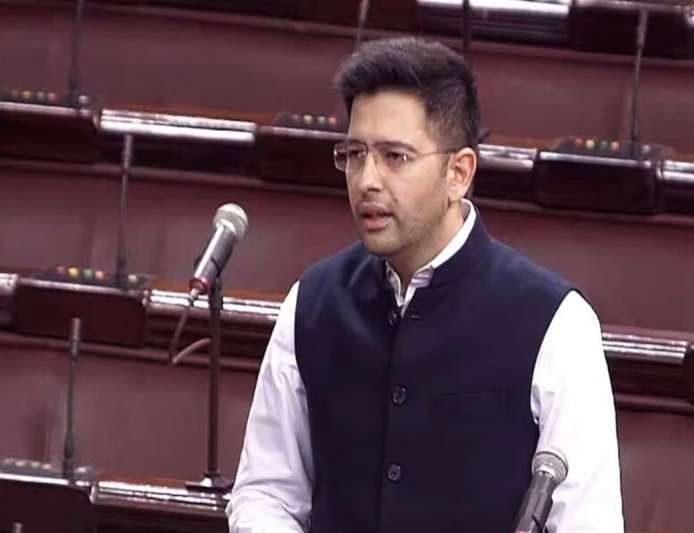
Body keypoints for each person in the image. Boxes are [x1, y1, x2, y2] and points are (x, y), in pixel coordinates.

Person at [227, 37, 623, 533]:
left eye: (395, 156)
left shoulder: (556, 322)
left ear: (459, 173)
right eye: (354, 154)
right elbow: (266, 492)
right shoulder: (310, 303)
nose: (367, 180)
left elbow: (587, 520)